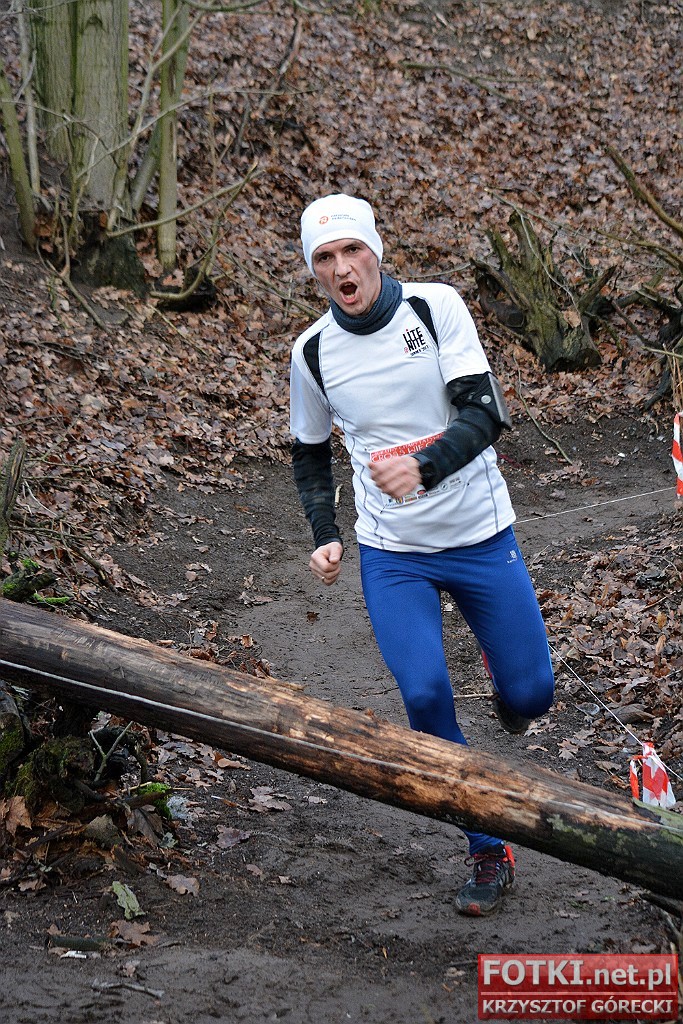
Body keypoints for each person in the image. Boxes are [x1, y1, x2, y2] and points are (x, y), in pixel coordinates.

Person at [289, 193, 554, 916]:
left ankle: (506, 676)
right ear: (313, 271)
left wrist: (425, 466)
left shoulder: (435, 309)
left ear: (375, 251)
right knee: (426, 696)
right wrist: (324, 532)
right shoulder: (313, 351)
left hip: (479, 534)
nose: (342, 268)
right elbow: (309, 453)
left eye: (352, 250)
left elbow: (485, 412)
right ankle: (486, 847)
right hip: (393, 555)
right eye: (324, 257)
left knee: (532, 697)